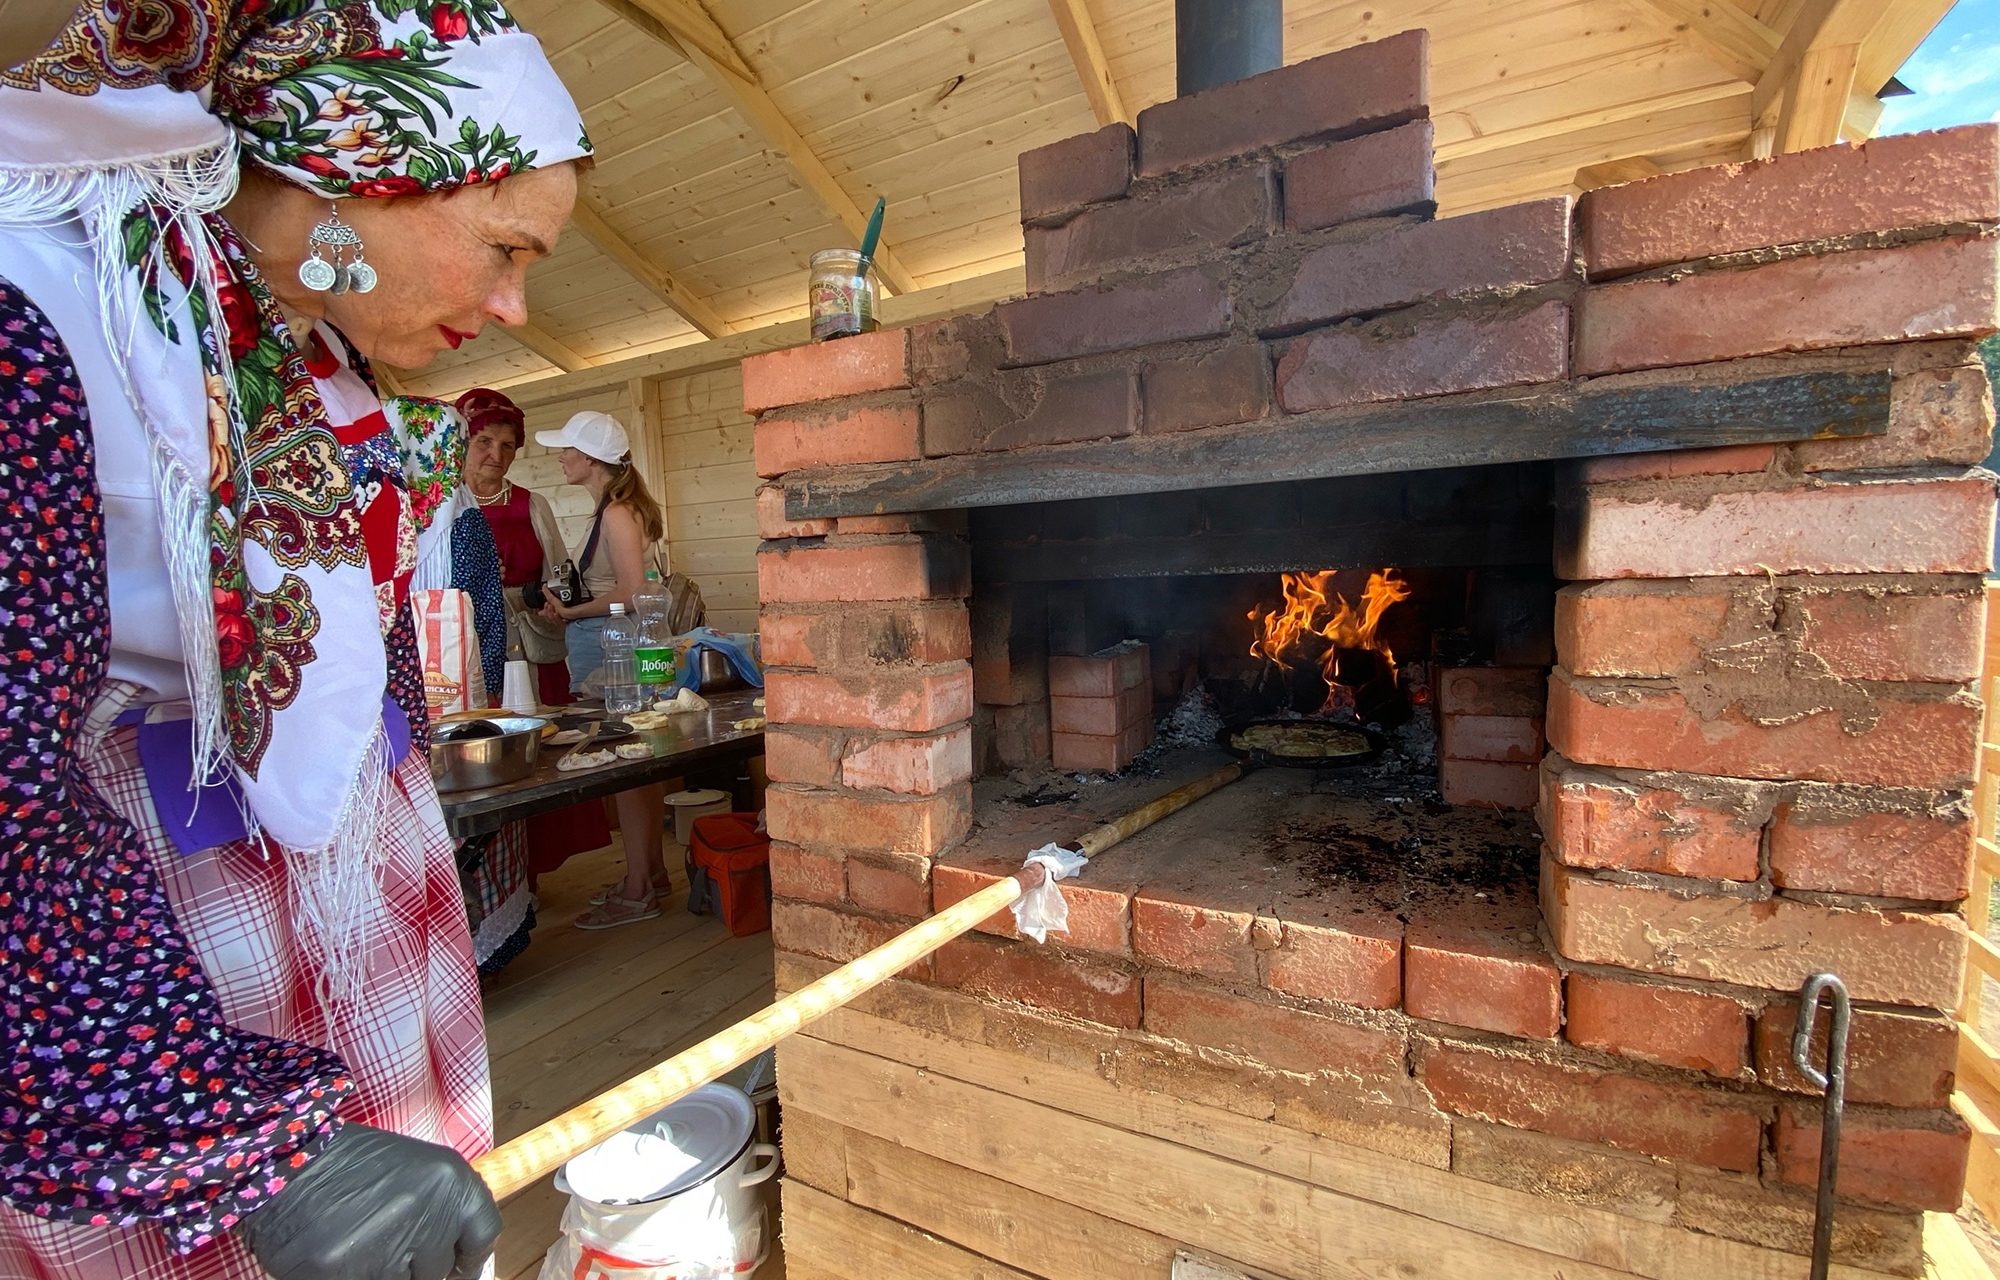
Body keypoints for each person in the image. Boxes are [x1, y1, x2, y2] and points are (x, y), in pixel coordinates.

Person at [0, 3, 590, 1277]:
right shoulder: (41, 307)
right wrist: (232, 1133)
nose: (511, 301)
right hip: (165, 964)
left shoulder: (312, 348)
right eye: (503, 246)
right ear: (362, 165)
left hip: (369, 886)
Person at [533, 410, 674, 929]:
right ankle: (651, 873)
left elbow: (634, 592)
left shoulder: (615, 513)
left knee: (625, 762)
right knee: (640, 759)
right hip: (624, 645)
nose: (561, 457)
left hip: (612, 649)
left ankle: (639, 889)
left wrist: (571, 612)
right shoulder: (620, 508)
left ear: (591, 459)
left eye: (568, 450)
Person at [455, 387, 573, 705]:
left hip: (528, 638)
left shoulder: (531, 505)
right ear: (461, 443)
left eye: (507, 445)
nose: (497, 454)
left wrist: (556, 603)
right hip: (462, 639)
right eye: (485, 442)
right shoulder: (442, 507)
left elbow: (562, 576)